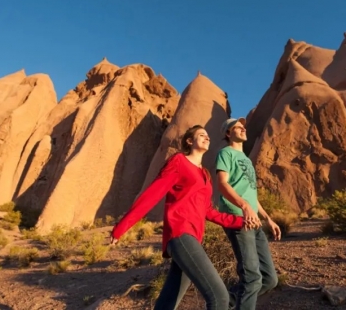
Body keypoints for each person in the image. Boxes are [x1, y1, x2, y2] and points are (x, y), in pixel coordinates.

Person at [110, 125, 248, 310]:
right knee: (219, 297)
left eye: (208, 135)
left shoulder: (205, 174)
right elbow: (151, 194)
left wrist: (240, 221)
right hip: (180, 234)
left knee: (168, 303)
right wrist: (122, 227)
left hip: (193, 239)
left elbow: (208, 211)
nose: (207, 138)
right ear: (190, 141)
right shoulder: (179, 161)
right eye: (201, 135)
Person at [215, 117, 281, 310]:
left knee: (269, 279)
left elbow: (252, 194)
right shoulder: (225, 154)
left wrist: (268, 219)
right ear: (228, 133)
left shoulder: (246, 160)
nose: (243, 129)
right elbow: (222, 183)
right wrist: (244, 206)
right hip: (238, 219)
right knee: (252, 278)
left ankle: (225, 300)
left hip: (255, 221)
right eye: (237, 127)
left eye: (243, 126)